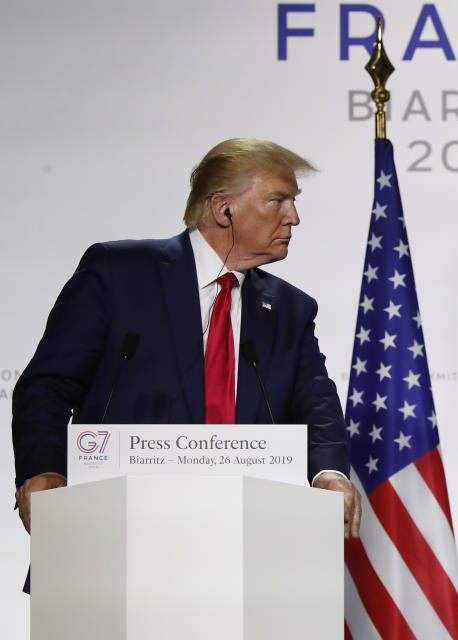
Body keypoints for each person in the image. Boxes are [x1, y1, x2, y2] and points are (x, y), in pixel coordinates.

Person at [12, 138, 361, 539]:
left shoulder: (290, 309)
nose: (294, 217)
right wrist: (44, 471)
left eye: (293, 202)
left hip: (245, 541)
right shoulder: (119, 274)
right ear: (223, 208)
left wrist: (329, 473)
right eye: (278, 201)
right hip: (115, 532)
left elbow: (317, 408)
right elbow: (47, 386)